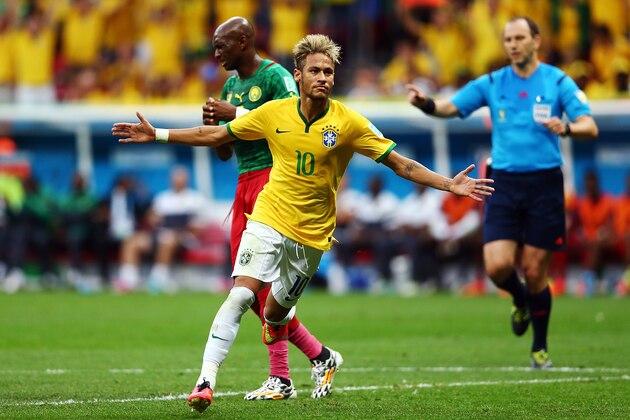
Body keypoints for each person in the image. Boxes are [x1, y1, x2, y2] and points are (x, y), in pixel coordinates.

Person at [112, 34, 494, 413]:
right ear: (298, 75)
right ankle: (205, 382)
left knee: (274, 315)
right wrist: (157, 134)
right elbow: (213, 133)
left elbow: (401, 164)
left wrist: (449, 184)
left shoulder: (349, 122)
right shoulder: (275, 113)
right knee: (242, 295)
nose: (323, 77)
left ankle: (323, 357)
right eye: (315, 70)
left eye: (329, 71)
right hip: (267, 216)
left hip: (311, 236)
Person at [406, 16, 598, 369]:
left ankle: (540, 348)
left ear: (536, 41)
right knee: (497, 267)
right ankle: (520, 299)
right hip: (503, 182)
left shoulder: (557, 81)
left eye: (520, 37)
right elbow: (453, 106)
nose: (512, 44)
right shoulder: (493, 82)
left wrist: (567, 127)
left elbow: (590, 125)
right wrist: (426, 104)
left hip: (544, 183)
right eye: (508, 38)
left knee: (536, 270)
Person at [201, 17, 343, 401]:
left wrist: (233, 115)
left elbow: (290, 123)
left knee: (259, 290)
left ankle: (281, 376)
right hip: (243, 183)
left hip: (274, 180)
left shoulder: (277, 77)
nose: (216, 54)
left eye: (221, 45)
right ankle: (320, 355)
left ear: (243, 41)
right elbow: (225, 151)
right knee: (246, 288)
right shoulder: (231, 85)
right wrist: (214, 125)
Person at [112, 166, 207, 293]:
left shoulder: (195, 199)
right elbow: (152, 218)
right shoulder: (162, 198)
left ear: (186, 180)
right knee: (132, 240)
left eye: (180, 178)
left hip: (184, 237)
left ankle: (158, 279)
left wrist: (179, 230)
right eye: (175, 178)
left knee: (167, 238)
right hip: (159, 234)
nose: (178, 181)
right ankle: (128, 279)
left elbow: (198, 227)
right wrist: (153, 218)